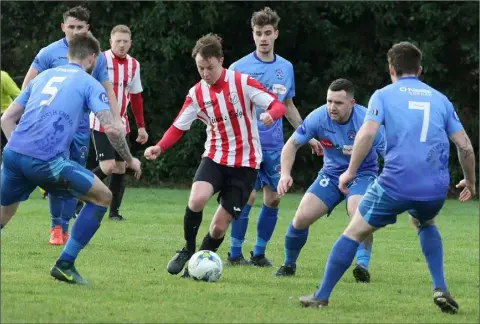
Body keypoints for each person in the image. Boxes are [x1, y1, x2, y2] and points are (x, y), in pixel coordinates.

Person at [299, 42, 476, 314]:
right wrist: (470, 181)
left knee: (353, 232)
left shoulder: (382, 95)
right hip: (435, 187)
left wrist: (349, 171)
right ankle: (440, 287)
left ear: (391, 68)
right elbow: (464, 146)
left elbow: (367, 135)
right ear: (420, 69)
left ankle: (321, 295)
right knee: (425, 222)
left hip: (395, 183)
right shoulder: (440, 99)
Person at [0, 33, 141, 285]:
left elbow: (6, 119)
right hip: (46, 161)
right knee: (103, 197)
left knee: (2, 216)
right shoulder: (89, 83)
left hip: (12, 156)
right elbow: (111, 127)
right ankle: (65, 264)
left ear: (68, 55)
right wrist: (130, 160)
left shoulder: (42, 77)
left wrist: (20, 152)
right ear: (93, 59)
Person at [144, 33, 286, 277]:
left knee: (219, 228)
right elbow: (179, 126)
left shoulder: (242, 82)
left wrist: (270, 114)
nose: (205, 73)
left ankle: (195, 266)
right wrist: (160, 146)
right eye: (200, 68)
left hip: (245, 165)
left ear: (221, 61)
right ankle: (188, 249)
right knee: (196, 199)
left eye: (209, 67)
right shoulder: (197, 93)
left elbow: (277, 104)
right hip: (215, 158)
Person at [227, 7, 323, 267]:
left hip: (274, 145)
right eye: (258, 33)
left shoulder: (285, 68)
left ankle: (258, 253)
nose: (263, 38)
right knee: (246, 196)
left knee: (274, 197)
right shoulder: (238, 68)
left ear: (276, 34)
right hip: (247, 145)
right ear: (253, 35)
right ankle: (234, 253)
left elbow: (288, 105)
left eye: (267, 33)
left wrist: (309, 135)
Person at [21, 6, 122, 245]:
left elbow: (107, 89)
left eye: (80, 27)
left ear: (88, 28)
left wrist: (116, 119)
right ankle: (58, 227)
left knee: (73, 176)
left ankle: (64, 225)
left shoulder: (93, 56)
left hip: (80, 128)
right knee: (58, 176)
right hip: (53, 129)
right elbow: (28, 85)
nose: (75, 32)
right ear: (63, 27)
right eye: (71, 27)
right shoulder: (48, 53)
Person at [275, 79, 385, 282]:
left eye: (338, 103)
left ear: (351, 103)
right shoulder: (318, 117)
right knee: (301, 217)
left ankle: (362, 266)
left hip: (363, 174)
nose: (332, 107)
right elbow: (291, 145)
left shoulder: (367, 121)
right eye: (329, 101)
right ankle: (288, 264)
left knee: (358, 212)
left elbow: (390, 154)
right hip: (331, 175)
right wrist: (285, 174)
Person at [88, 24, 148, 221]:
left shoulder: (134, 65)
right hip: (100, 121)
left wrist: (141, 126)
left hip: (121, 123)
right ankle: (78, 197)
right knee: (108, 167)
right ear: (110, 42)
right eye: (118, 41)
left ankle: (114, 213)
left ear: (130, 43)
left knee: (121, 168)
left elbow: (136, 96)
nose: (121, 45)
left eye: (125, 41)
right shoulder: (100, 60)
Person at [1, 70, 21, 150]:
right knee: (15, 147)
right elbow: (19, 96)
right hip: (7, 116)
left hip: (6, 116)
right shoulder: (2, 76)